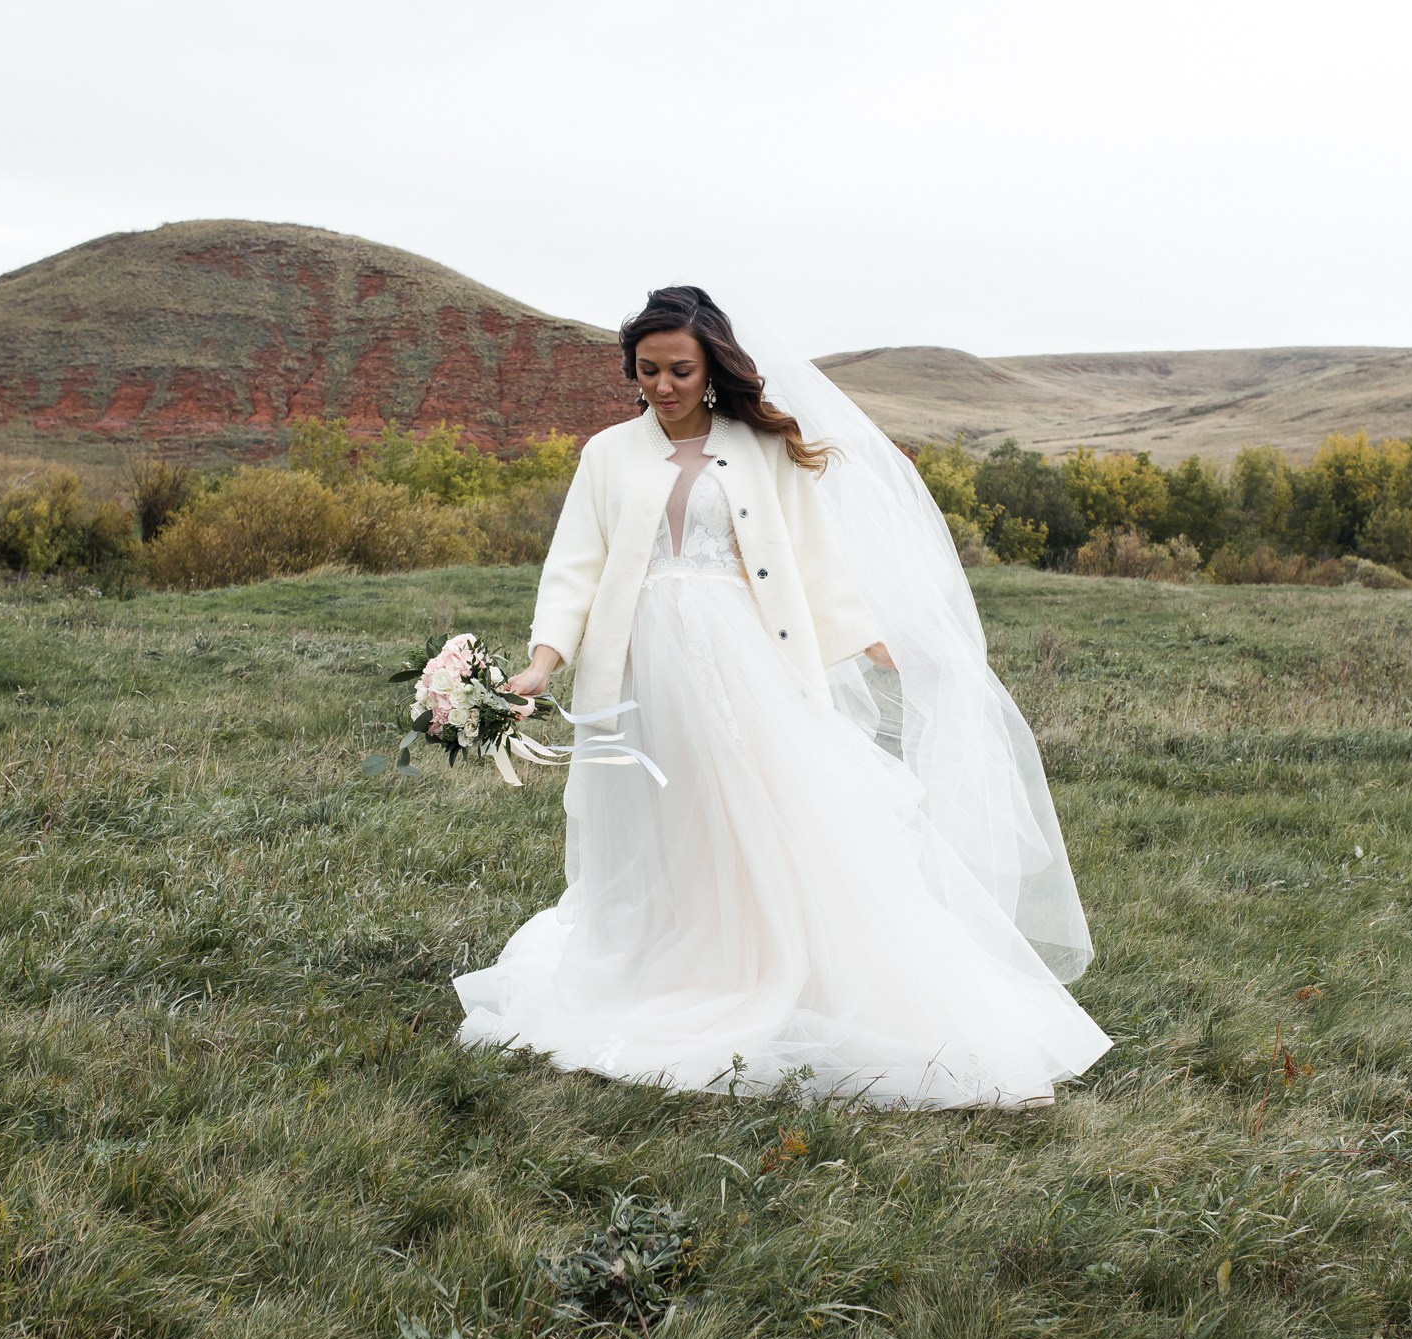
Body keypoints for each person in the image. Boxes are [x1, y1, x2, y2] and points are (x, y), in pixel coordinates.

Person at [451, 287, 1110, 1109]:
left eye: (680, 369)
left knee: (766, 807)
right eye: (647, 370)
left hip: (743, 659)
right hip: (638, 666)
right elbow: (574, 565)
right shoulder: (606, 454)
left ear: (712, 366)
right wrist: (543, 662)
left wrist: (873, 638)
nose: (662, 385)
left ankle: (776, 965)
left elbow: (815, 556)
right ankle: (674, 959)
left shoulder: (757, 448)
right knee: (668, 811)